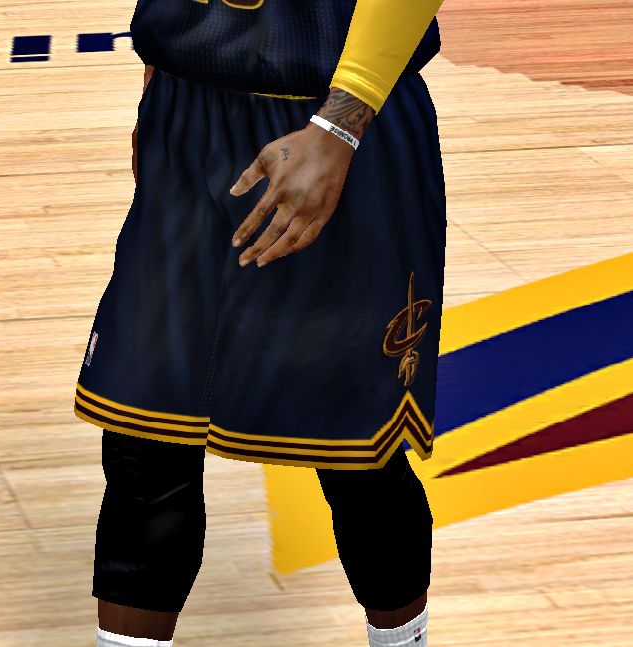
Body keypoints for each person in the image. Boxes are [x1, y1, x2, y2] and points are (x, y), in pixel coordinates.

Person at [74, 0, 446, 645]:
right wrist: (156, 77)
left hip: (336, 120)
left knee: (359, 456)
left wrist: (339, 128)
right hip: (186, 111)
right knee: (143, 440)